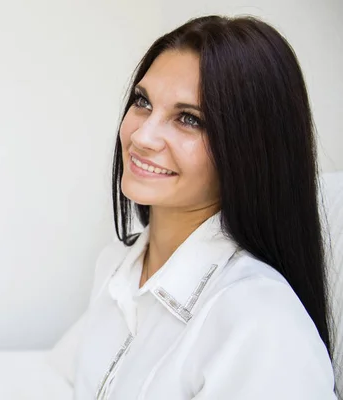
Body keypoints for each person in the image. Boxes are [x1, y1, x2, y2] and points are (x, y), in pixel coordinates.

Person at [73, 15, 338, 399]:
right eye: (143, 101)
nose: (142, 136)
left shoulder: (262, 323)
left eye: (188, 119)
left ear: (249, 150)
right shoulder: (114, 265)